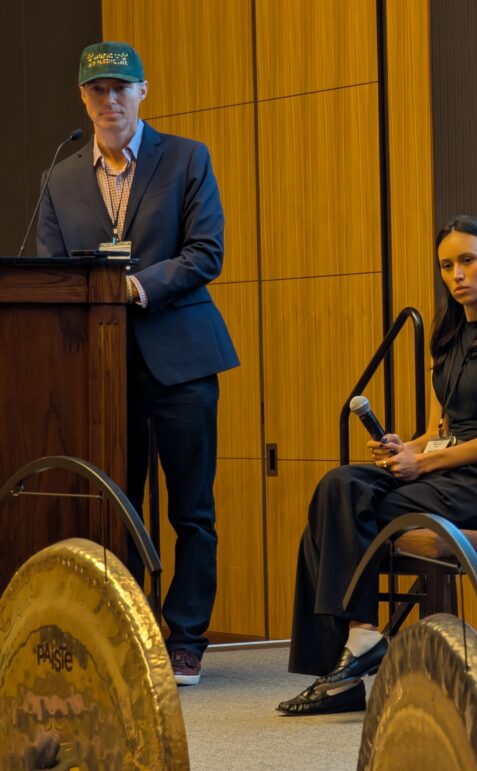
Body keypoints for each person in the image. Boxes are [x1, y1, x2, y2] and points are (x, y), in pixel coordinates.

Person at [277, 215, 477, 715]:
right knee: (337, 487)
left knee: (343, 515)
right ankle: (359, 637)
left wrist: (424, 464)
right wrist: (408, 448)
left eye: (467, 261)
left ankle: (346, 662)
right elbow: (437, 428)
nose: (456, 275)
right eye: (446, 266)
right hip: (443, 467)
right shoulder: (449, 335)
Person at [37, 42, 239, 687]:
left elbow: (206, 252)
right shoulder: (59, 178)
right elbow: (51, 277)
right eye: (98, 90)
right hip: (101, 370)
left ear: (143, 91)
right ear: (83, 98)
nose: (110, 100)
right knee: (115, 507)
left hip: (183, 360)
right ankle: (128, 629)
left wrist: (133, 287)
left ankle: (187, 638)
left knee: (192, 510)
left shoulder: (187, 158)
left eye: (121, 88)